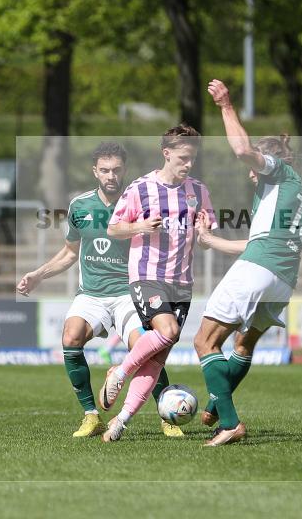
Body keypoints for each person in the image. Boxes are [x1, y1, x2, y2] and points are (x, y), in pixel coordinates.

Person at [15, 142, 184, 438]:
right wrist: (38, 275)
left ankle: (167, 415)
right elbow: (69, 253)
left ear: (125, 171)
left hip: (129, 292)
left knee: (144, 346)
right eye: (104, 170)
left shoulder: (140, 203)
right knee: (70, 337)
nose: (111, 175)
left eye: (116, 169)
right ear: (95, 172)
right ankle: (91, 416)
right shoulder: (80, 206)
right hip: (91, 294)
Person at [191, 78, 302, 446]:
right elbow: (262, 243)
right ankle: (217, 401)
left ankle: (230, 423)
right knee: (243, 345)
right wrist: (212, 241)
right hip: (282, 279)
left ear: (270, 159)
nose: (249, 172)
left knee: (203, 342)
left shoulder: (279, 173)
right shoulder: (298, 194)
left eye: (255, 165)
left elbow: (243, 150)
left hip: (260, 270)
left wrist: (226, 105)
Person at [98, 125, 217, 442]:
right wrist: (139, 225)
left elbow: (205, 240)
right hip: (147, 276)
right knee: (169, 332)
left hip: (182, 283)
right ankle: (120, 372)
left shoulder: (198, 192)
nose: (188, 164)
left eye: (191, 158)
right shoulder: (140, 188)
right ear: (166, 154)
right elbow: (113, 228)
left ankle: (119, 422)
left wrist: (205, 234)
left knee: (156, 358)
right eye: (182, 158)